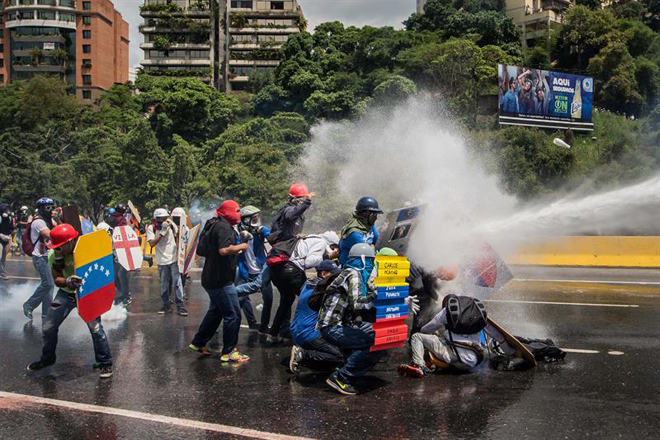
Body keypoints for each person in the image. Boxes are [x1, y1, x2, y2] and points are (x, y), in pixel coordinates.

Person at [26, 224, 113, 378]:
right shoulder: (54, 255)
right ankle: (47, 359)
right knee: (48, 327)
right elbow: (56, 279)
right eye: (56, 246)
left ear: (71, 242)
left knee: (96, 329)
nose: (57, 249)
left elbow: (101, 268)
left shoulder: (87, 249)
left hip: (87, 294)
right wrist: (67, 281)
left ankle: (105, 363)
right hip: (66, 294)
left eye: (61, 246)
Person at [189, 200, 250, 363]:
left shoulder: (214, 224)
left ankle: (198, 342)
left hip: (211, 277)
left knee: (216, 312)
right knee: (233, 314)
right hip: (220, 280)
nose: (239, 214)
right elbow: (224, 250)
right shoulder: (223, 227)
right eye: (237, 211)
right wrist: (242, 246)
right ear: (228, 212)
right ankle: (229, 352)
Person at [317, 243, 382, 396]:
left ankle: (349, 367)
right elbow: (358, 304)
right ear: (363, 260)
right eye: (370, 262)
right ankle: (341, 377)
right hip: (332, 326)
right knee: (373, 344)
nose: (371, 266)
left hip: (338, 324)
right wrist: (376, 294)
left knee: (375, 332)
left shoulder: (348, 271)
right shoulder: (354, 274)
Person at [398, 294, 515, 378]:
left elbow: (425, 329)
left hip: (454, 358)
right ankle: (434, 364)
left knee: (417, 337)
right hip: (474, 361)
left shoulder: (445, 312)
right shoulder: (477, 313)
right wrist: (511, 352)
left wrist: (440, 327)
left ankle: (419, 366)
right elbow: (499, 337)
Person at [268, 231, 340, 344]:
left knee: (286, 302)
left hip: (276, 271)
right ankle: (308, 334)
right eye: (334, 247)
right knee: (311, 299)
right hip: (292, 271)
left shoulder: (309, 238)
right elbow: (309, 262)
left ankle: (273, 334)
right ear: (331, 244)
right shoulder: (321, 242)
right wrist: (329, 256)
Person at [289, 259, 345, 374]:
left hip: (296, 331)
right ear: (323, 274)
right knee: (339, 357)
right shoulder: (323, 290)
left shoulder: (308, 283)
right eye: (333, 275)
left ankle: (306, 357)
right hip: (309, 335)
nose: (336, 278)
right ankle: (303, 354)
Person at [236, 205, 273, 333]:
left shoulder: (260, 231)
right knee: (241, 299)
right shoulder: (237, 232)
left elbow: (273, 238)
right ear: (246, 220)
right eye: (254, 219)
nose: (256, 222)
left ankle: (263, 326)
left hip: (261, 269)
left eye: (257, 218)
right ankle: (248, 322)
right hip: (245, 271)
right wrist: (241, 240)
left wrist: (264, 232)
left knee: (268, 299)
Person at [146, 208, 188, 316]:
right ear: (156, 218)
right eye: (162, 218)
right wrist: (161, 233)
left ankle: (181, 306)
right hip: (161, 260)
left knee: (177, 283)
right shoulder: (151, 228)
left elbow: (181, 235)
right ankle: (166, 306)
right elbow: (151, 243)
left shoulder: (170, 226)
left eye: (166, 218)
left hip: (173, 259)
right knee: (164, 285)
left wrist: (173, 226)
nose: (165, 220)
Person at [23, 198, 56, 320]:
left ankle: (46, 313)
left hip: (48, 256)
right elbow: (50, 234)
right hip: (40, 257)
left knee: (50, 285)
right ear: (41, 209)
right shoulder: (39, 222)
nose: (50, 210)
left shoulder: (49, 220)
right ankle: (29, 305)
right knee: (48, 283)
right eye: (48, 207)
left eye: (52, 207)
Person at [339, 197, 383, 266]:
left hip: (365, 265)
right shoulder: (354, 233)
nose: (376, 217)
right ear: (365, 214)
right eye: (373, 214)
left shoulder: (370, 225)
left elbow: (378, 243)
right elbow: (367, 253)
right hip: (352, 268)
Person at [0, 204, 13, 280]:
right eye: (5, 210)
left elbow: (11, 228)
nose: (7, 211)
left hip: (5, 240)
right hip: (0, 239)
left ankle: (2, 272)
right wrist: (1, 235)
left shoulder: (9, 218)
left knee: (3, 258)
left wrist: (8, 236)